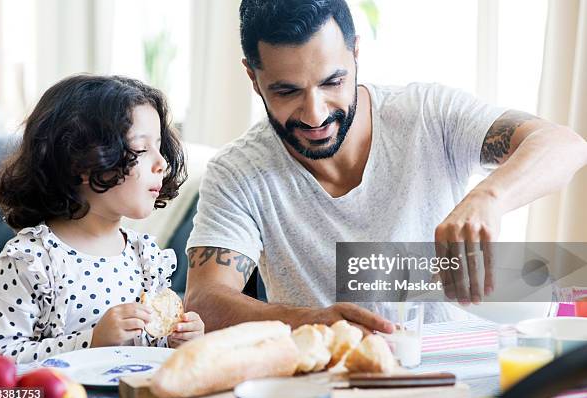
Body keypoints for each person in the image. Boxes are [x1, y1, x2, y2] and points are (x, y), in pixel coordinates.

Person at [184, 0, 587, 332]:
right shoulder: (238, 171)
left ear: (356, 53)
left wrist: (489, 197)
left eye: (332, 82)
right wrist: (312, 321)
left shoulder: (428, 114)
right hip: (332, 384)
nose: (314, 114)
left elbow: (565, 146)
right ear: (253, 78)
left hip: (461, 371)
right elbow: (205, 302)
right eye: (286, 91)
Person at [0, 75, 204, 363]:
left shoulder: (146, 257)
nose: (161, 162)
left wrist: (179, 340)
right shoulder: (30, 260)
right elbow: (0, 365)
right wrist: (91, 342)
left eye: (160, 146)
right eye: (141, 148)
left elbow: (149, 350)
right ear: (81, 163)